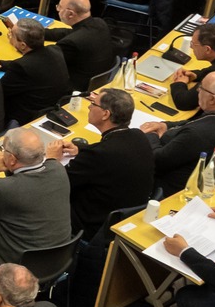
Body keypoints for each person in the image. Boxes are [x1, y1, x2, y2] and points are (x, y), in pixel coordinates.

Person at [0, 127, 72, 265]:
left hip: (13, 265)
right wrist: (10, 167)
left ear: (12, 159)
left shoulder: (4, 188)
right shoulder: (57, 169)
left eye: (3, 149)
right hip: (54, 260)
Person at [53, 89, 156, 233]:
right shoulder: (138, 136)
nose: (89, 107)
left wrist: (52, 159)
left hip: (90, 224)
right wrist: (80, 149)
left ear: (105, 114)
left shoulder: (99, 155)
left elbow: (56, 183)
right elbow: (107, 151)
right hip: (122, 217)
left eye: (93, 104)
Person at [137, 71, 215, 186]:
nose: (197, 90)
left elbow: (157, 160)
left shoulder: (199, 134)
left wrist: (151, 134)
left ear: (212, 99)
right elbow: (191, 122)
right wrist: (165, 125)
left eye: (201, 87)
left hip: (169, 186)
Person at [0, 16, 70, 127]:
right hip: (52, 107)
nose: (10, 36)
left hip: (24, 116)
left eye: (12, 35)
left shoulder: (21, 67)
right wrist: (1, 64)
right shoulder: (55, 50)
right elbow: (32, 62)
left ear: (23, 45)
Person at [47, 0, 115, 92]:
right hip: (96, 82)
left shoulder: (70, 43)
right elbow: (68, 33)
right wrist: (38, 32)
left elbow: (46, 64)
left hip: (73, 89)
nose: (57, 9)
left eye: (59, 7)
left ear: (70, 14)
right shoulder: (99, 23)